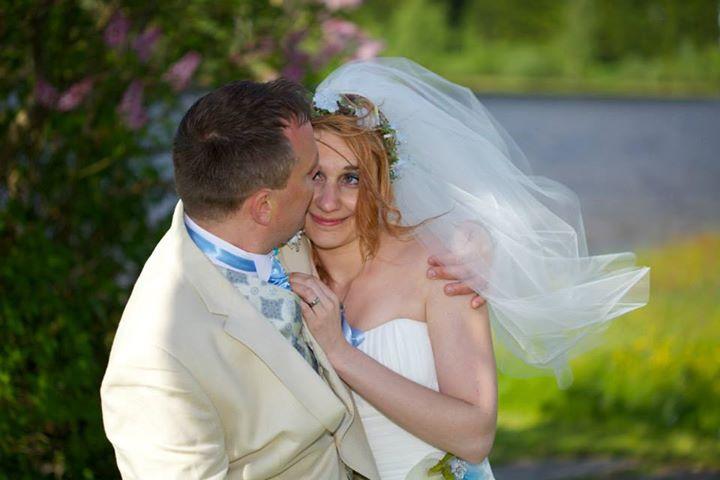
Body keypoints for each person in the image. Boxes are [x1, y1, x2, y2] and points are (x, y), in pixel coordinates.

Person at [100, 76, 480, 478]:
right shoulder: (158, 360)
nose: (324, 199)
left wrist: (473, 243)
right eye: (312, 175)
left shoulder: (281, 239)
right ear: (264, 207)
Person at [288, 58, 649, 480]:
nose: (328, 201)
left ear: (382, 182)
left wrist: (340, 354)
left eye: (351, 179)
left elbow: (475, 436)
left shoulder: (441, 268)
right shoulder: (281, 267)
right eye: (316, 176)